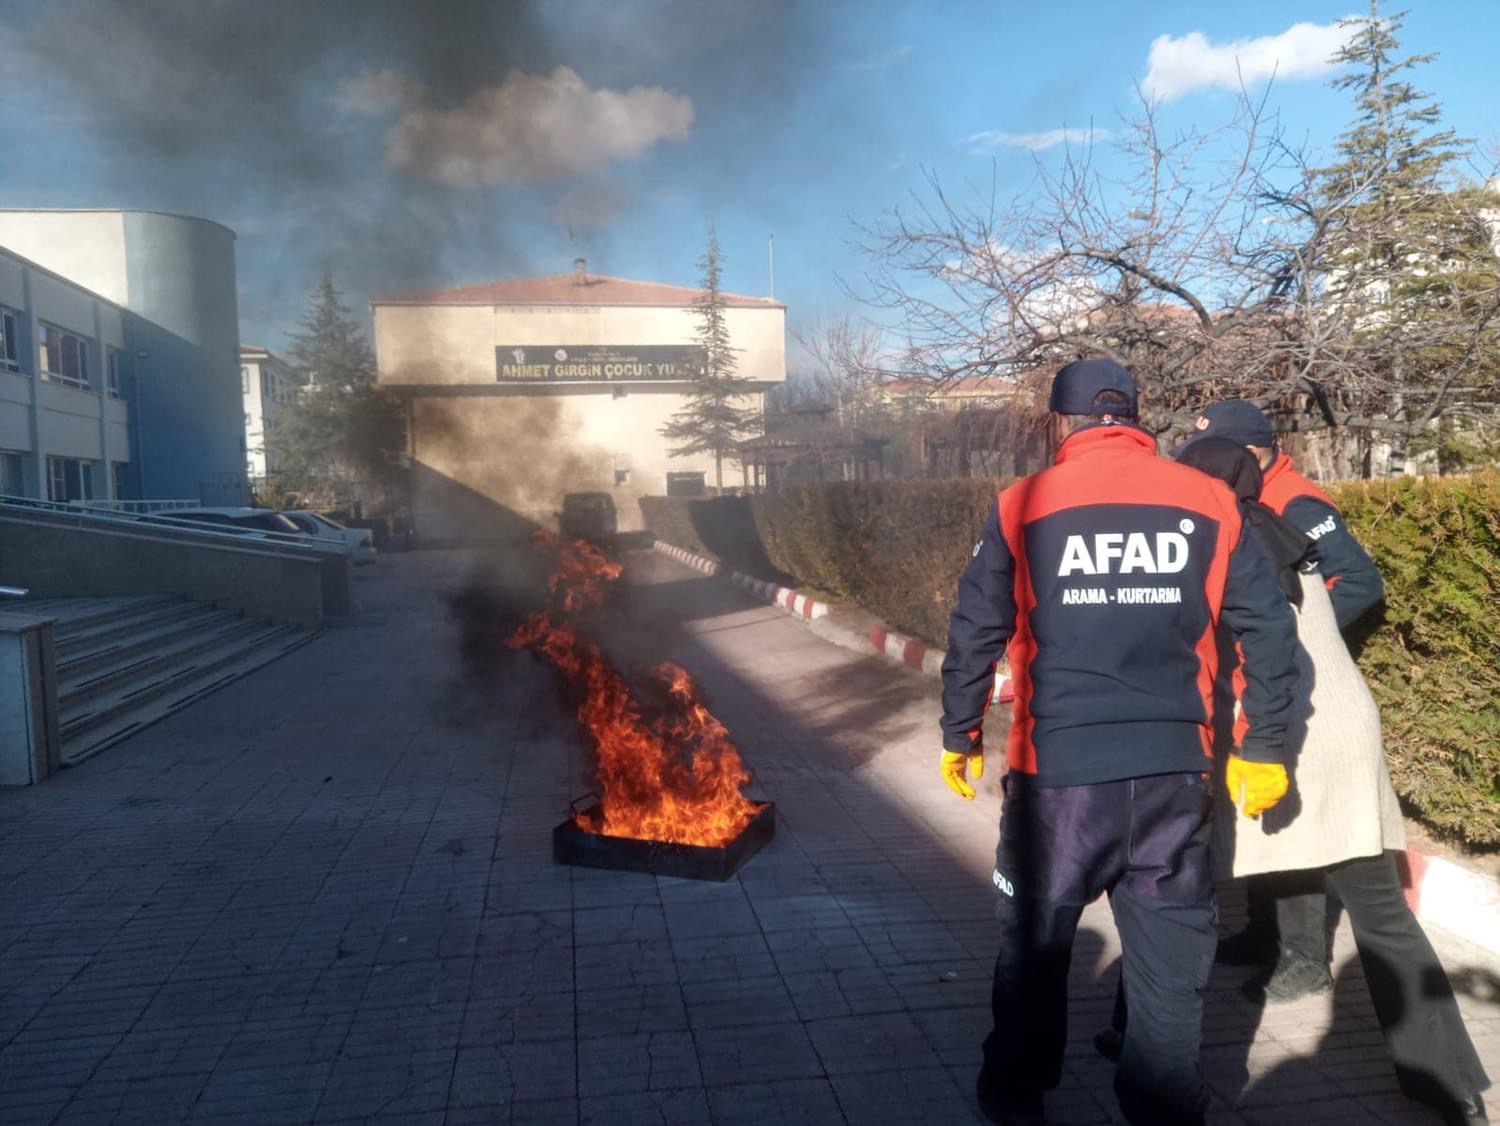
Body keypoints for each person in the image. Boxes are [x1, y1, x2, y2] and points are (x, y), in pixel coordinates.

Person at [940, 359, 1300, 1126]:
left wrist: (960, 732)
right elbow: (1270, 631)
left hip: (1058, 784)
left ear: (1059, 422)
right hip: (1174, 777)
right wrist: (1266, 745)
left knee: (1034, 951)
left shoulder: (1024, 502)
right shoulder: (1208, 500)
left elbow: (977, 629)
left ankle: (1016, 1094)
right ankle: (1164, 1108)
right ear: (1139, 420)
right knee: (1171, 969)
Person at [1102, 438, 1489, 1125]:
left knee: (1169, 895)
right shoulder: (1282, 534)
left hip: (1267, 739)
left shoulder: (1206, 545)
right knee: (1384, 919)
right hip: (1340, 736)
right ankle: (1448, 1084)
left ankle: (1130, 1037)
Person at [1179, 400, 1386, 1001]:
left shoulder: (1294, 500)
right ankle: (1261, 934)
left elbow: (1360, 581)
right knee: (1258, 812)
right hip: (1260, 676)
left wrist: (1293, 640)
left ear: (1254, 451)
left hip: (1296, 680)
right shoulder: (1240, 498)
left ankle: (1304, 958)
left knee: (1291, 817)